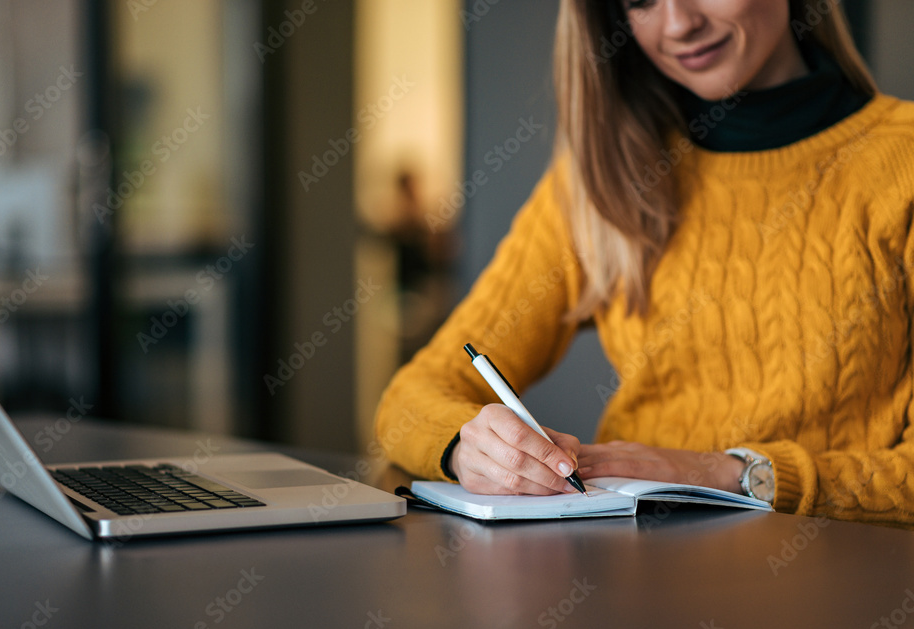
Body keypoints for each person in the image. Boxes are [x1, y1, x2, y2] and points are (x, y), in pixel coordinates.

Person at [374, 0, 914, 528]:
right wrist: (467, 447)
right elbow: (411, 396)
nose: (679, 24)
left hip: (845, 591)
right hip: (621, 576)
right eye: (640, 1)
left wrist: (733, 474)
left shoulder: (901, 162)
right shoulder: (605, 177)